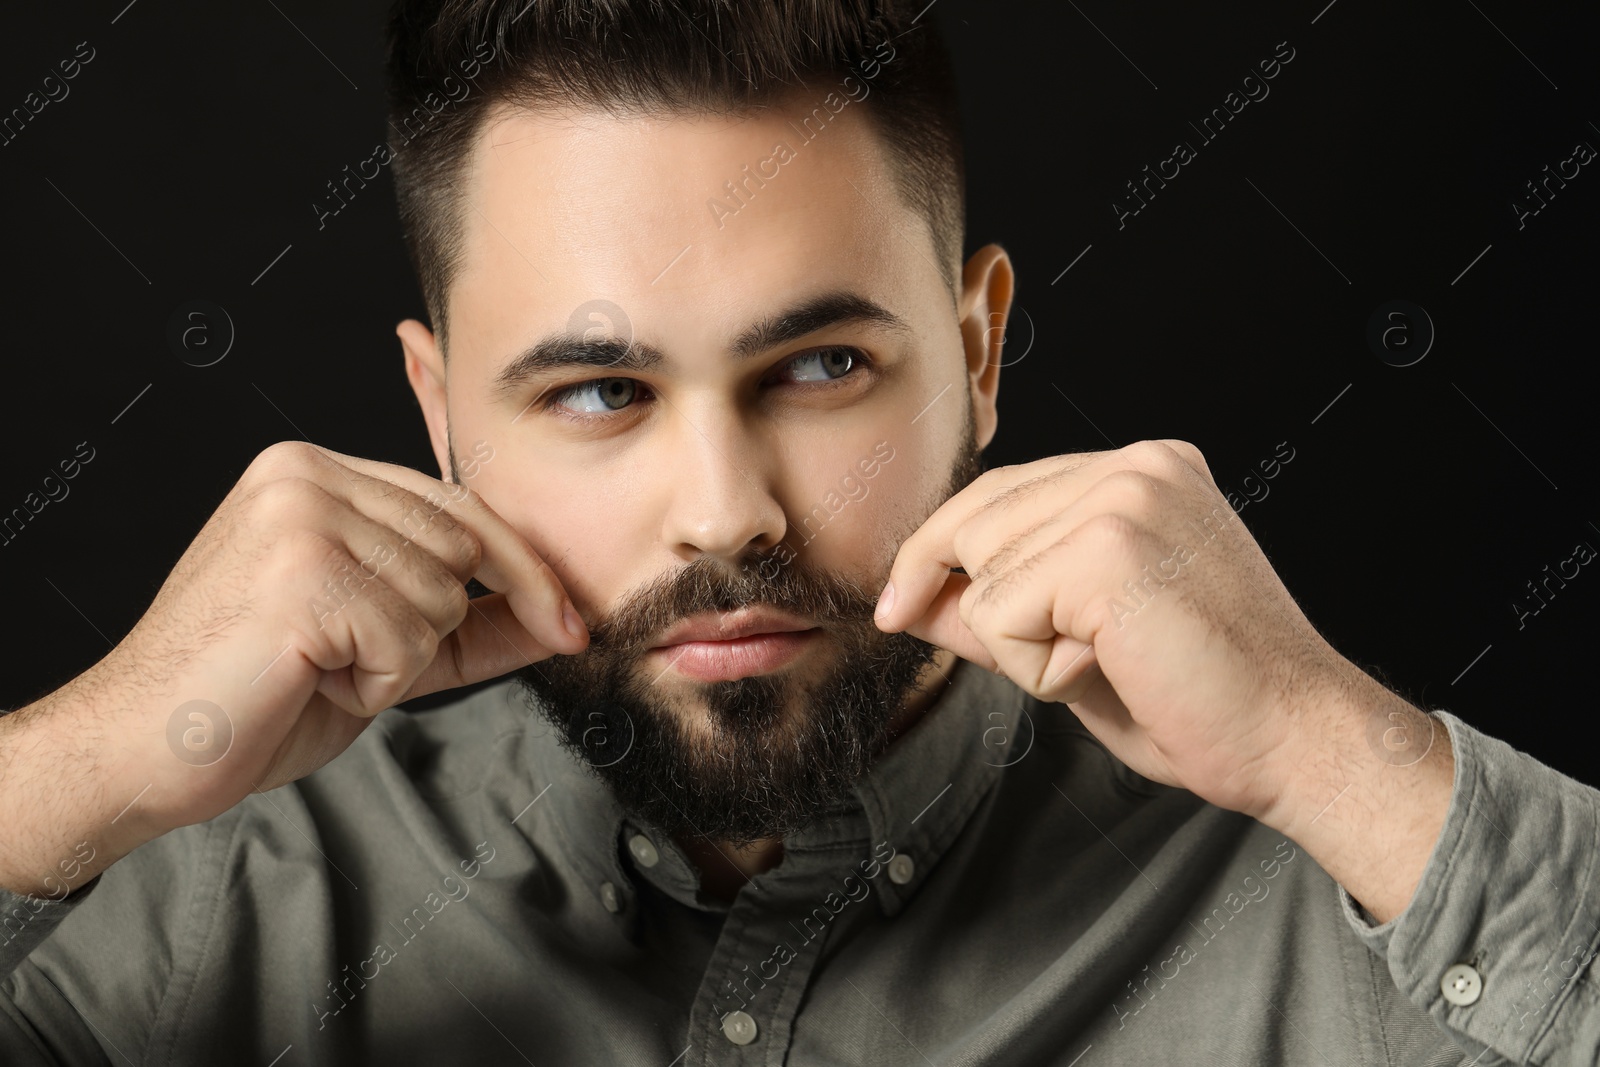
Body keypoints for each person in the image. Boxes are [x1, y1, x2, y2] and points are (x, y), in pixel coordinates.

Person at [2, 1, 1595, 1063]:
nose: (727, 510)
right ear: (439, 419)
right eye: (600, 390)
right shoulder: (200, 908)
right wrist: (66, 775)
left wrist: (1336, 753)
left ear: (977, 354)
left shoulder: (1351, 900)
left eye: (822, 367)